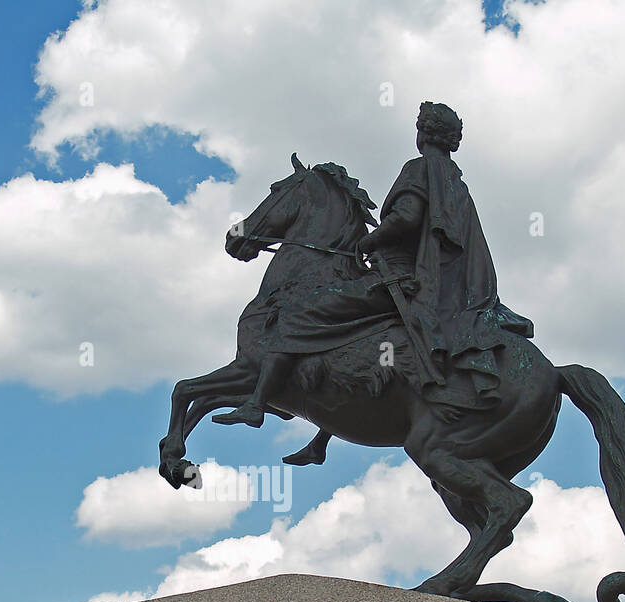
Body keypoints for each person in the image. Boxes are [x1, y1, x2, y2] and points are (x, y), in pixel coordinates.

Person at [214, 101, 530, 429]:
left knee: (300, 315)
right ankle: (321, 424)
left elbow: (406, 218)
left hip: (400, 280)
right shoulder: (454, 181)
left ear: (423, 134)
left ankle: (258, 403)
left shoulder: (419, 169)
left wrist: (367, 241)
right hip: (431, 284)